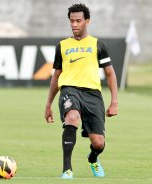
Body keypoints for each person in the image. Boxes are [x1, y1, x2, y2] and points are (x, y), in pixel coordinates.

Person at [44, 3, 118, 179]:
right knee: (72, 117)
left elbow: (110, 74)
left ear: (87, 21)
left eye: (78, 20)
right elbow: (56, 77)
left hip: (93, 94)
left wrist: (114, 101)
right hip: (70, 89)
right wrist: (48, 104)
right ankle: (67, 169)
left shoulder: (98, 44)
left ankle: (93, 158)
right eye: (71, 21)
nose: (74, 24)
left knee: (98, 143)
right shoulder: (62, 46)